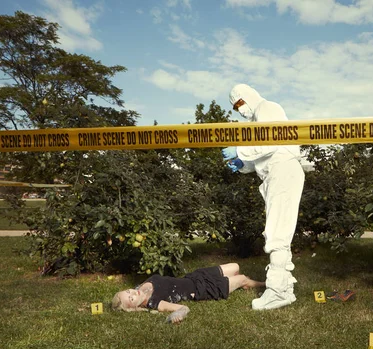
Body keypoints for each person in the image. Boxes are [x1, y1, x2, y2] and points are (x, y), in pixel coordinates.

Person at [223, 83, 305, 311]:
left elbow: (273, 140)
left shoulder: (267, 108)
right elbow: (263, 152)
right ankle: (284, 289)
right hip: (277, 172)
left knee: (277, 231)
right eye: (235, 107)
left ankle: (278, 292)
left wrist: (239, 150)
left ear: (248, 96)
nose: (239, 109)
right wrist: (242, 163)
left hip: (283, 170)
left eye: (239, 103)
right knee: (279, 229)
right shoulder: (258, 118)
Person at [111, 263, 264, 324]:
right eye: (131, 298)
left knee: (235, 266)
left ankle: (238, 283)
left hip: (195, 276)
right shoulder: (154, 302)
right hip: (202, 289)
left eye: (128, 291)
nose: (133, 292)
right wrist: (176, 316)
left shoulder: (141, 286)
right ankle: (260, 284)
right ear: (134, 307)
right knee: (242, 278)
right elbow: (182, 308)